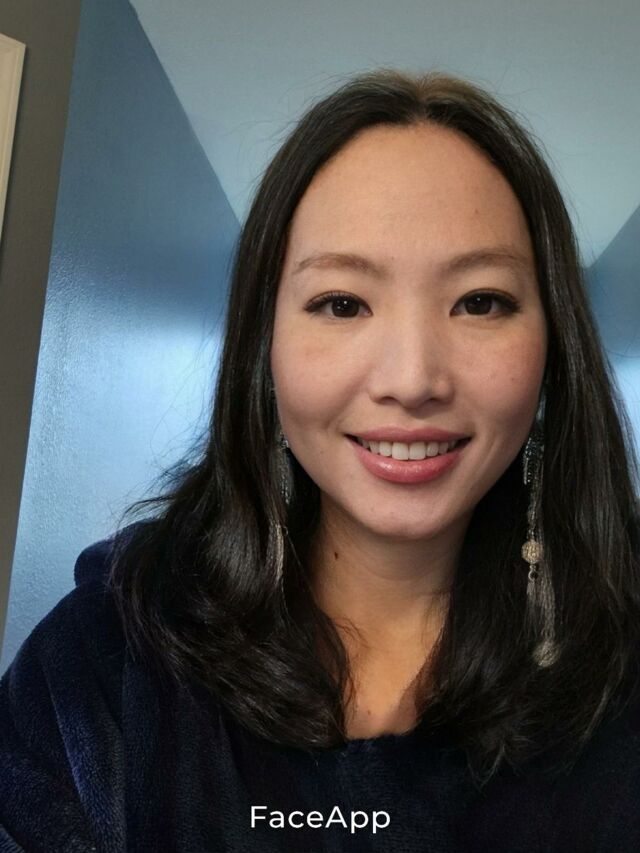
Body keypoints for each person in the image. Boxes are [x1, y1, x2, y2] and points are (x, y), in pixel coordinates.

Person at [2, 68, 640, 853]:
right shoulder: (104, 664)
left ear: (553, 349)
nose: (412, 379)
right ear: (265, 347)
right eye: (342, 303)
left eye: (480, 301)